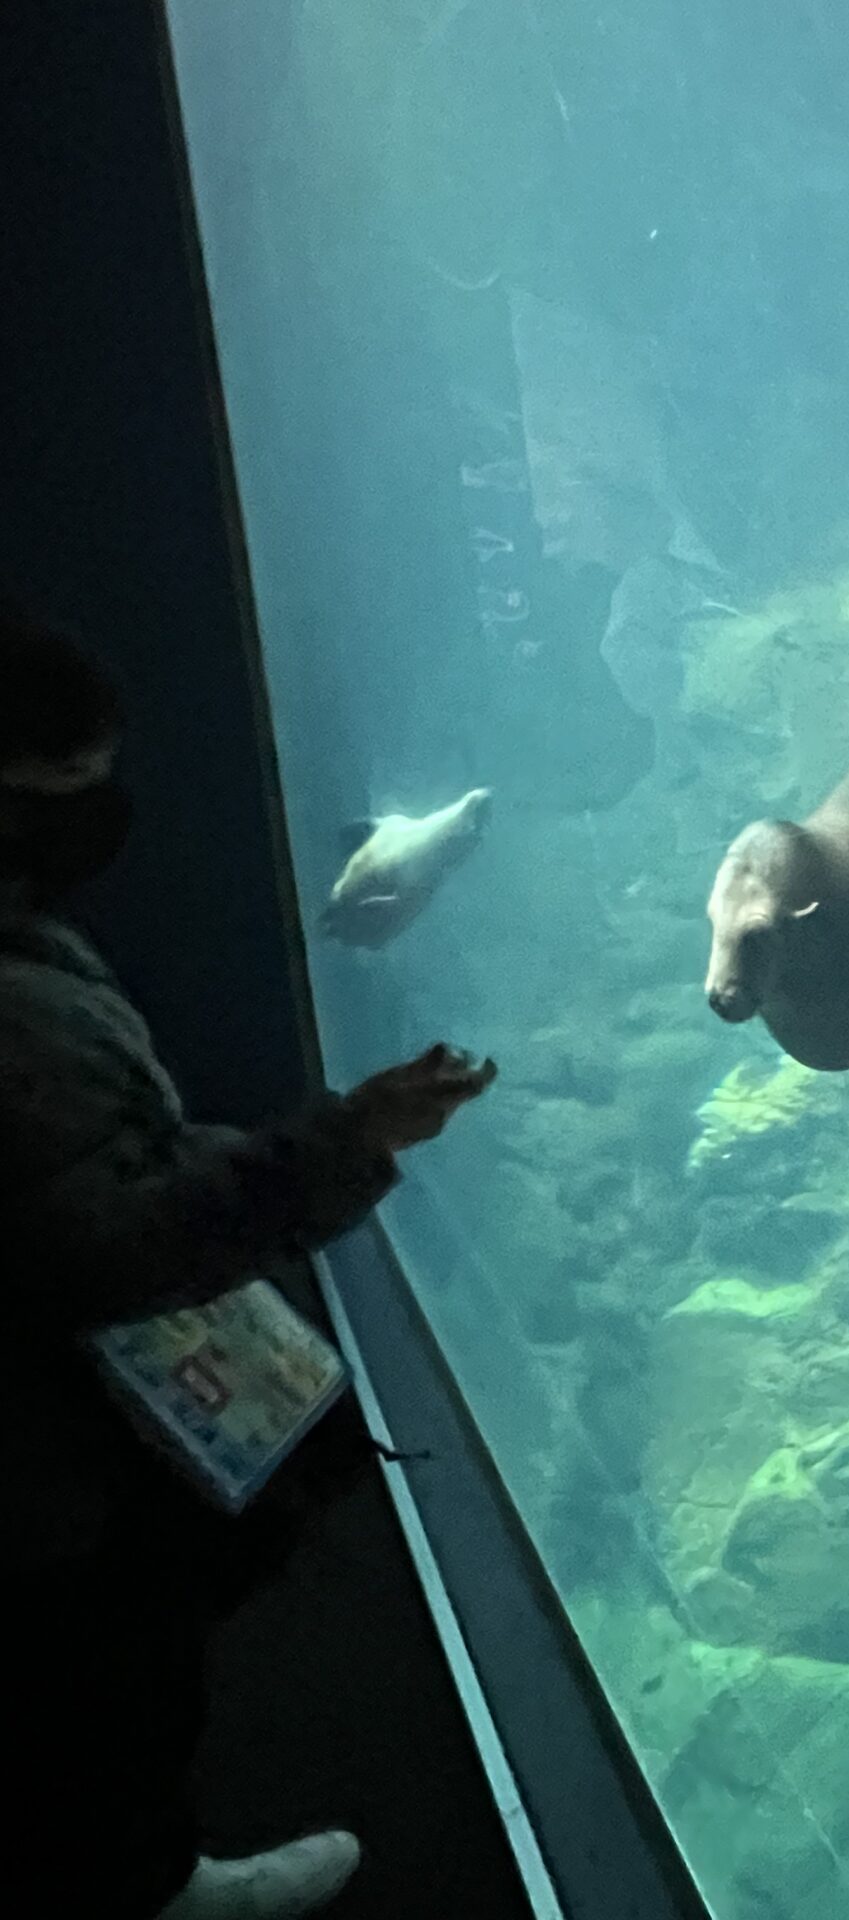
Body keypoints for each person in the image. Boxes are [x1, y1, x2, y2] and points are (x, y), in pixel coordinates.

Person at [0, 607, 496, 1920]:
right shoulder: (17, 999)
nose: (99, 818)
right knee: (105, 1666)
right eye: (66, 789)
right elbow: (108, 1240)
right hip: (42, 1473)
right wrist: (342, 1141)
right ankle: (147, 1890)